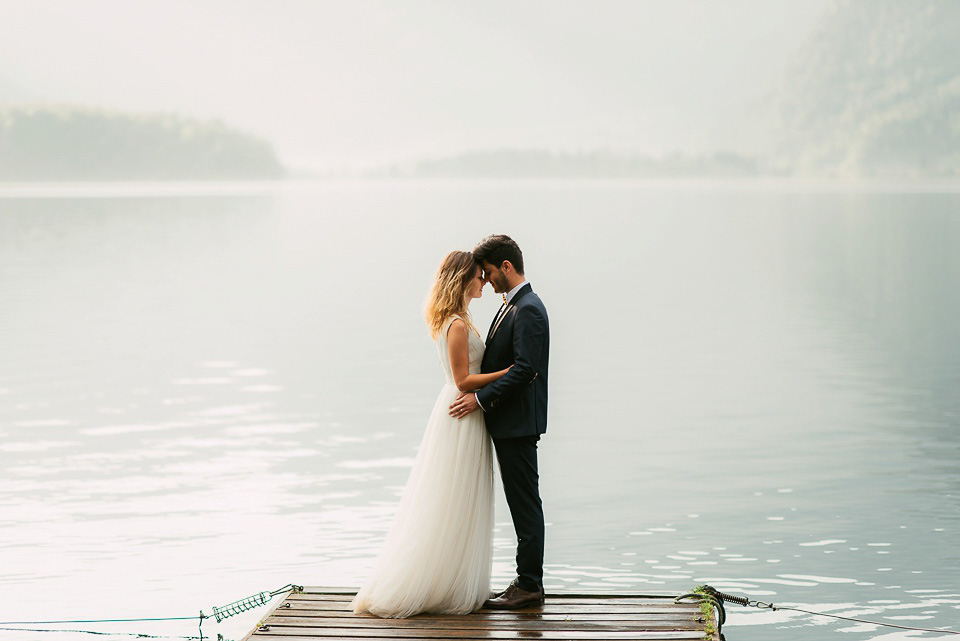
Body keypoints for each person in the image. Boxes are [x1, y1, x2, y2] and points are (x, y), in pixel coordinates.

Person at [351, 250, 510, 618]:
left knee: (458, 497)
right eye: (478, 277)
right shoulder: (455, 324)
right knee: (453, 496)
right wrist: (508, 373)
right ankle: (438, 581)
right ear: (462, 280)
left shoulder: (458, 319)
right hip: (461, 410)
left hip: (464, 409)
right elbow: (462, 379)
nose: (484, 281)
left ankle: (451, 578)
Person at [449, 234, 550, 610]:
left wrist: (479, 399)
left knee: (525, 505)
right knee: (519, 503)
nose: (487, 281)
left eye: (490, 273)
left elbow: (526, 369)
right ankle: (523, 580)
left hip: (519, 423)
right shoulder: (512, 306)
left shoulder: (529, 309)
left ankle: (530, 585)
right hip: (507, 422)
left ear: (507, 267)